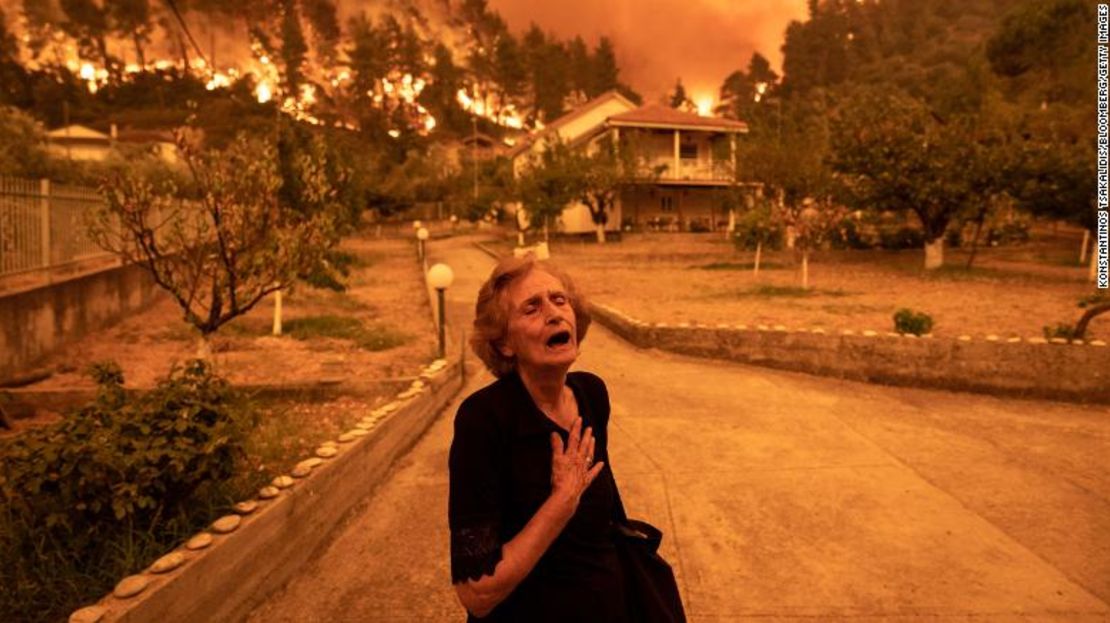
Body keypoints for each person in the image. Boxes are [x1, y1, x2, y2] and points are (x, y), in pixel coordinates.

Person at [448, 254, 630, 622]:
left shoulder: (592, 394)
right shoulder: (483, 421)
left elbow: (604, 528)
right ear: (503, 344)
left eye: (560, 300)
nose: (554, 313)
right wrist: (561, 502)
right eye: (532, 308)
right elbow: (476, 593)